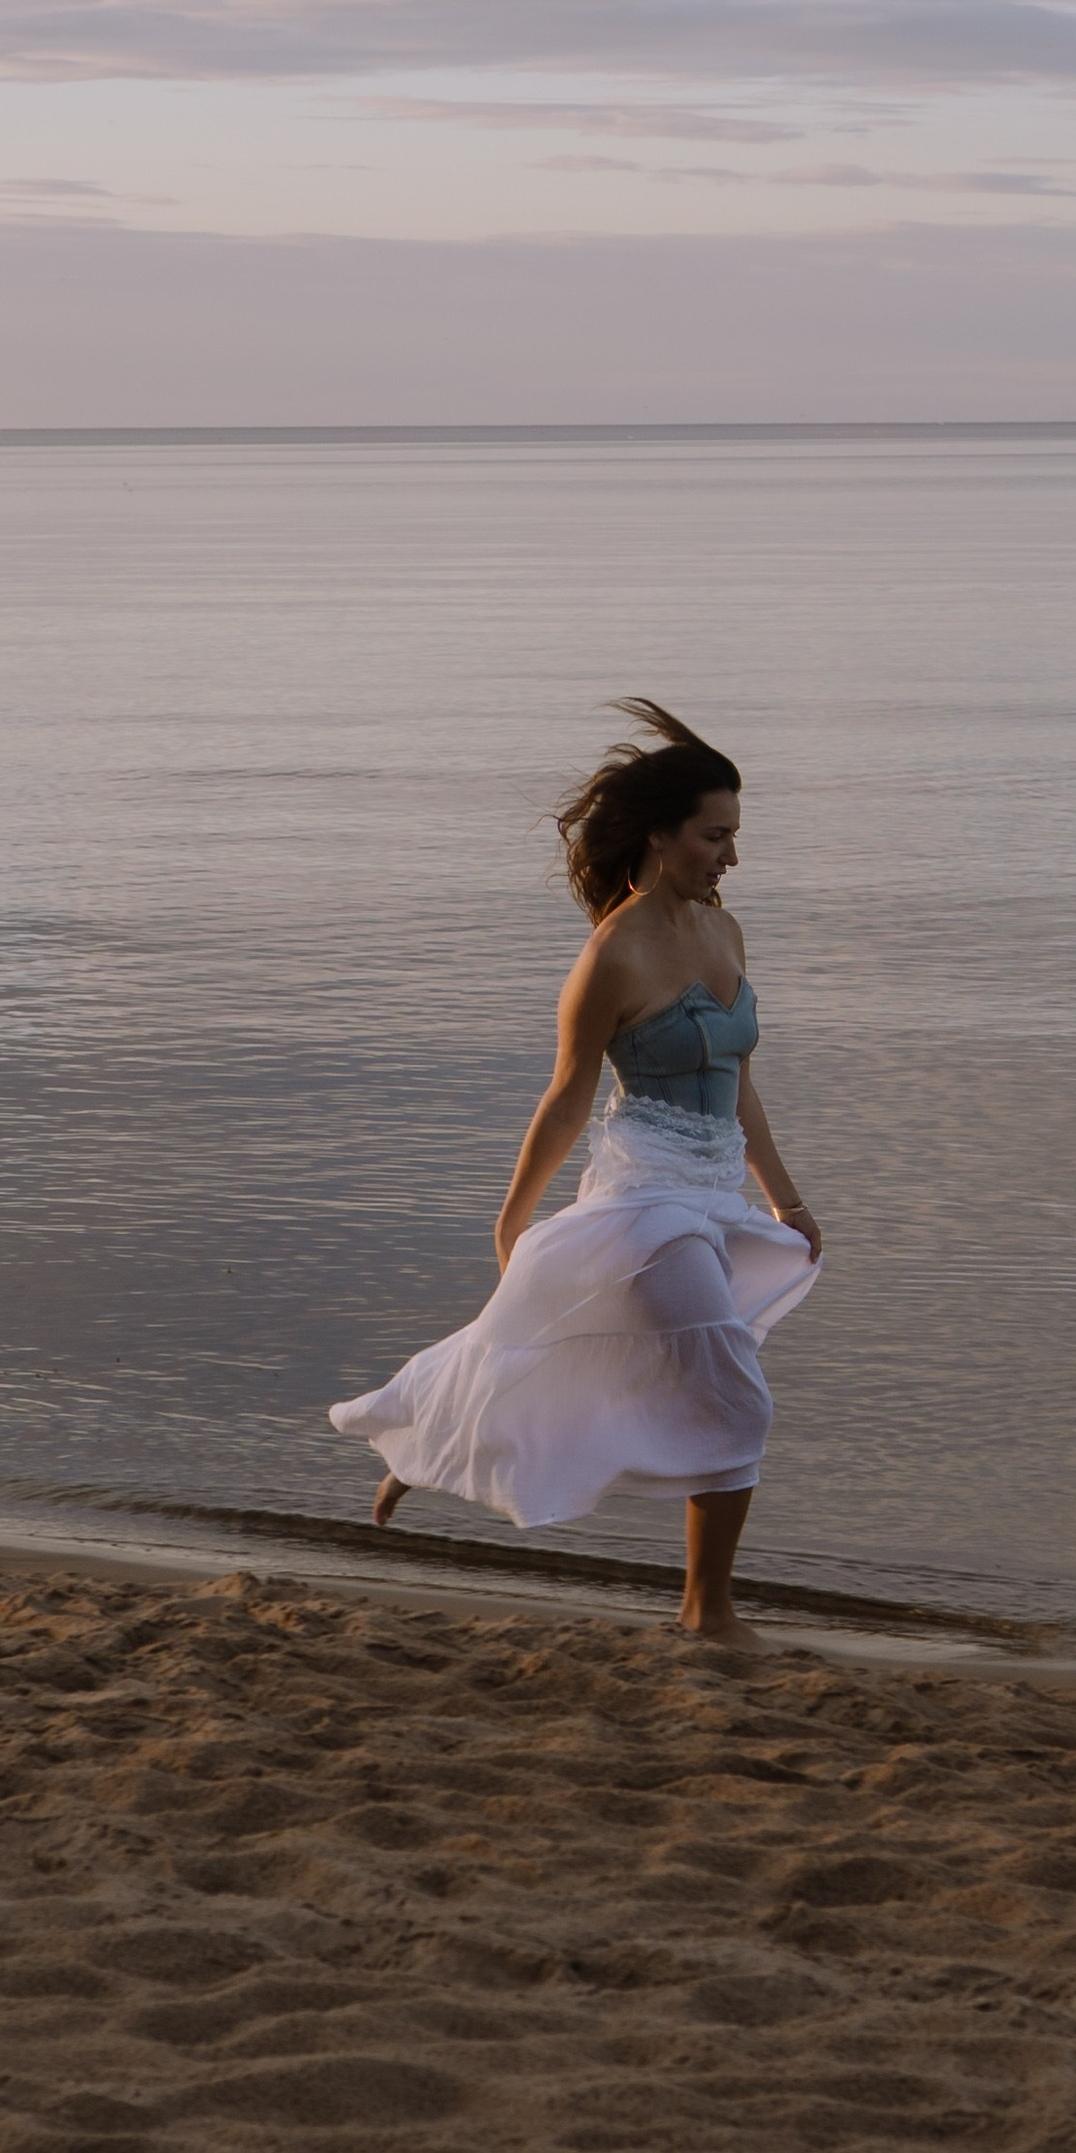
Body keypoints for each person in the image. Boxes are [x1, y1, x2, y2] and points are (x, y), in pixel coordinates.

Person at [330, 702, 822, 1651]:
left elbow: (740, 1080)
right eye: (715, 836)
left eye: (734, 837)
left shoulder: (726, 935)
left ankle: (429, 1430)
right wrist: (511, 1221)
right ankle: (707, 1615)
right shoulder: (611, 955)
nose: (730, 855)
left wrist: (786, 1199)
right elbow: (565, 1100)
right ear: (661, 834)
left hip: (717, 1194)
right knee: (730, 1391)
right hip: (647, 1201)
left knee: (588, 1351)